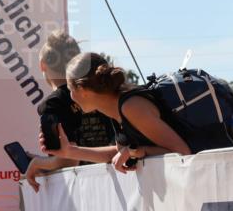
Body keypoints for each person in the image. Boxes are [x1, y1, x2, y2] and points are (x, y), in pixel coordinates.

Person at [43, 52, 191, 173]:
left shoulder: (131, 107)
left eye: (70, 90)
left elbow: (183, 153)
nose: (70, 97)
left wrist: (134, 151)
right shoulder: (115, 108)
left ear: (82, 90)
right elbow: (117, 153)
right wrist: (70, 152)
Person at [25, 31, 116, 192]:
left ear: (42, 65)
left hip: (83, 190)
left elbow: (67, 161)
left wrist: (38, 163)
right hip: (119, 181)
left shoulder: (53, 104)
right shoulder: (101, 91)